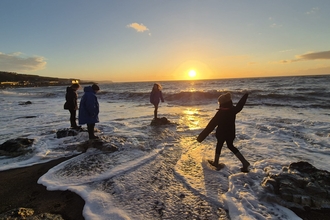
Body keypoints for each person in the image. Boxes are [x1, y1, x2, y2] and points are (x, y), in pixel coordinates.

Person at [197, 92, 250, 172]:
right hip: (231, 133)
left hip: (221, 133)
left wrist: (201, 137)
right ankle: (244, 162)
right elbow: (240, 105)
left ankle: (216, 162)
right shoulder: (233, 110)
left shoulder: (220, 113)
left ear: (222, 103)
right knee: (230, 146)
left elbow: (210, 126)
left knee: (219, 145)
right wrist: (245, 96)